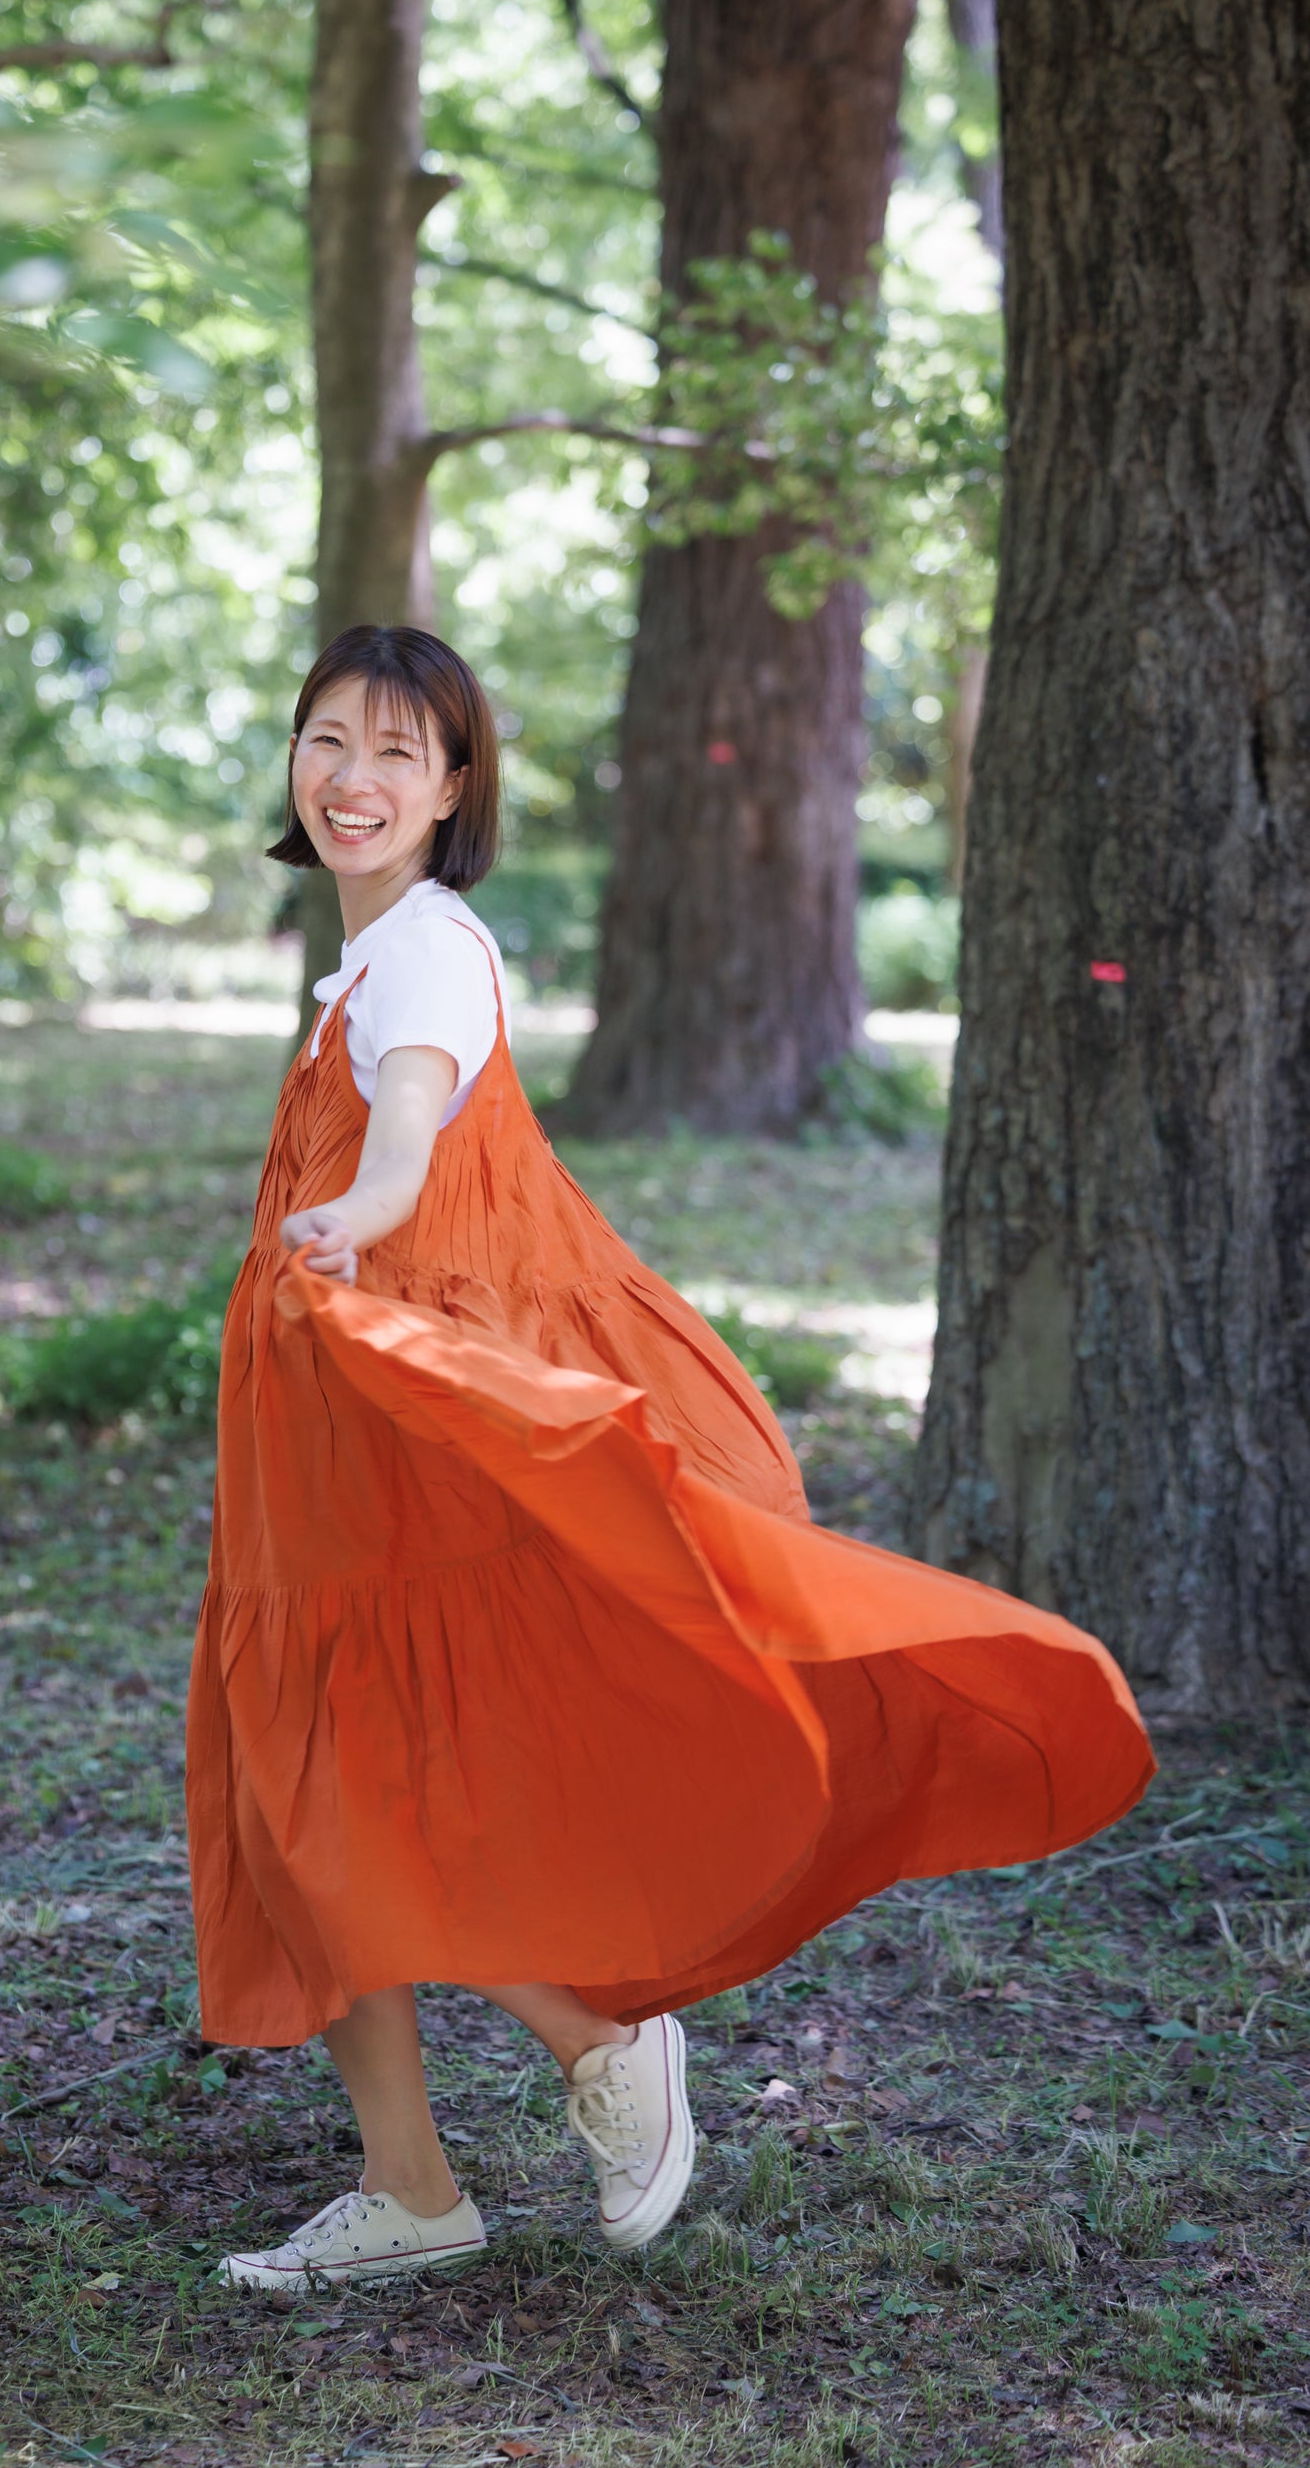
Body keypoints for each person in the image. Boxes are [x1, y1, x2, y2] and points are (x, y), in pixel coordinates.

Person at [185, 624, 1152, 2295]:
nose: (352, 777)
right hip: (326, 1443)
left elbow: (408, 1123)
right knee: (298, 1802)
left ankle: (598, 2044)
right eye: (328, 740)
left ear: (452, 789)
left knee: (334, 1794)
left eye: (398, 753)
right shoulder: (360, 957)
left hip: (407, 1438)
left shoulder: (422, 954)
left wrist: (361, 1203)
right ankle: (412, 2185)